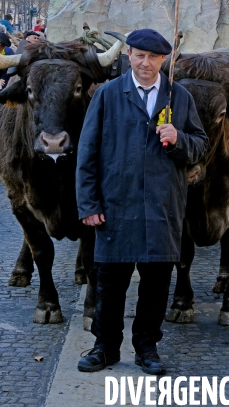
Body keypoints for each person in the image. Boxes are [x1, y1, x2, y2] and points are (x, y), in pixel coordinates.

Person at [76, 29, 208, 375]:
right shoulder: (107, 95)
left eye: (153, 57)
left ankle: (147, 347)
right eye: (139, 55)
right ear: (129, 56)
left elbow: (201, 145)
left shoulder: (178, 97)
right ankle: (104, 347)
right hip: (115, 208)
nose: (145, 63)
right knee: (110, 285)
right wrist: (88, 205)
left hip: (162, 210)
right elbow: (87, 154)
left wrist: (179, 138)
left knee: (155, 286)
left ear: (164, 60)